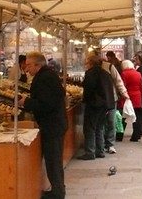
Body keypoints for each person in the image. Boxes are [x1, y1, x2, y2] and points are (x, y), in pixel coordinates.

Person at [19, 51, 67, 199]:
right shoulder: (47, 75)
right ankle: (58, 189)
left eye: (28, 65)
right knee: (54, 160)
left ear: (37, 65)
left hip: (52, 125)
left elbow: (46, 104)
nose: (26, 69)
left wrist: (26, 102)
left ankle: (58, 193)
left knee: (53, 160)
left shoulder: (45, 78)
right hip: (55, 123)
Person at [78, 53, 115, 160]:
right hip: (105, 105)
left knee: (90, 128)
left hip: (94, 104)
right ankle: (100, 151)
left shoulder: (91, 73)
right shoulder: (105, 73)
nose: (86, 64)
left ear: (90, 63)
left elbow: (88, 89)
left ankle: (90, 152)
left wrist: (85, 100)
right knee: (99, 127)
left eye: (86, 62)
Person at [100, 51, 130, 154]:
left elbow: (118, 81)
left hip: (112, 98)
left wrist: (124, 92)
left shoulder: (109, 67)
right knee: (102, 123)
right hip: (99, 100)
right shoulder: (91, 68)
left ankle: (110, 144)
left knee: (111, 121)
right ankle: (102, 144)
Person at [119, 59, 142, 142]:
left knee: (124, 116)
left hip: (128, 97)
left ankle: (119, 135)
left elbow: (122, 85)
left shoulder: (124, 73)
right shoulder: (138, 73)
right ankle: (137, 135)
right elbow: (141, 86)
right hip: (137, 96)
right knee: (137, 117)